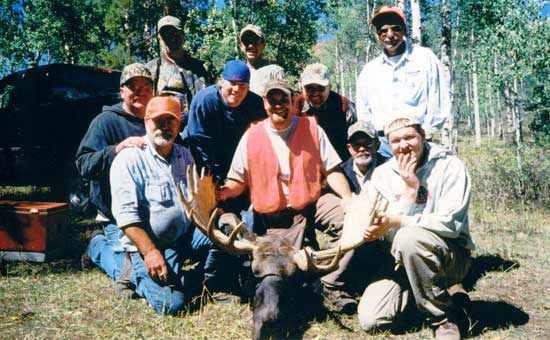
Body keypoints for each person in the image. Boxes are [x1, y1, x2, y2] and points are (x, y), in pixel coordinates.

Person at [216, 79, 355, 312]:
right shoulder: (252, 136)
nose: (278, 105)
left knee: (350, 221)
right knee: (279, 272)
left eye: (284, 100)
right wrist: (220, 193)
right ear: (264, 103)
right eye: (273, 100)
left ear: (293, 102)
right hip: (275, 218)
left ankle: (330, 284)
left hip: (312, 203)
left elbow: (331, 169)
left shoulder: (311, 129)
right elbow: (237, 181)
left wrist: (348, 199)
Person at [82, 96, 215, 315]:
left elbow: (195, 200)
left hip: (182, 239)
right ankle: (105, 253)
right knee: (171, 304)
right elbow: (126, 216)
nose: (165, 127)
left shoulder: (184, 154)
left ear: (178, 125)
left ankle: (200, 280)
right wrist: (151, 252)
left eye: (170, 121)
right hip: (146, 246)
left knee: (222, 235)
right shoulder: (129, 159)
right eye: (158, 121)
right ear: (146, 122)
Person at [357, 115, 475, 340]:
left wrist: (401, 216)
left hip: (450, 255)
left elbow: (451, 225)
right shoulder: (382, 175)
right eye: (395, 141)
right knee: (372, 320)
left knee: (409, 238)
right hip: (399, 260)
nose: (403, 146)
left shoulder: (449, 166)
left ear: (423, 136)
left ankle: (443, 318)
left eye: (410, 137)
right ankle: (443, 295)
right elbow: (378, 223)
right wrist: (374, 231)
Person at [76, 62, 153, 256]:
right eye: (133, 87)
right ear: (122, 91)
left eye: (145, 87)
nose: (140, 92)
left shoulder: (158, 120)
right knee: (129, 268)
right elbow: (84, 164)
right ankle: (97, 247)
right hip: (115, 215)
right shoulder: (105, 122)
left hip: (151, 211)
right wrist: (116, 150)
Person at [356, 5, 450, 157]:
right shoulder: (369, 71)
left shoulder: (425, 58)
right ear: (377, 33)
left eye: (395, 28)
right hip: (383, 147)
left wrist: (424, 133)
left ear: (404, 30)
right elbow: (363, 112)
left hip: (418, 141)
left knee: (419, 182)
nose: (390, 35)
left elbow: (439, 100)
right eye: (383, 30)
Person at [185, 60, 266, 212]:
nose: (237, 89)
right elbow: (198, 145)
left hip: (240, 160)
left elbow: (262, 142)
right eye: (232, 83)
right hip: (208, 158)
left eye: (242, 85)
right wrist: (210, 181)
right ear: (221, 81)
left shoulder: (255, 104)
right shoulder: (205, 100)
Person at [146, 15, 212, 129]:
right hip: (161, 130)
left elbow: (208, 103)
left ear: (183, 36)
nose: (171, 38)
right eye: (165, 35)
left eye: (175, 34)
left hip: (195, 130)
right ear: (159, 38)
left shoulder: (200, 69)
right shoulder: (149, 70)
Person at [293, 63, 357, 161]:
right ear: (302, 88)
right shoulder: (293, 107)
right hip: (304, 162)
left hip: (339, 162)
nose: (315, 93)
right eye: (309, 88)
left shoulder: (344, 106)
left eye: (320, 88)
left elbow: (355, 141)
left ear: (330, 87)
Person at [339, 120, 386, 194]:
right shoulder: (341, 173)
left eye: (367, 144)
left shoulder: (389, 167)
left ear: (377, 145)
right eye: (356, 145)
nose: (362, 149)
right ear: (349, 148)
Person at [239, 24, 284, 96]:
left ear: (263, 45)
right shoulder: (238, 72)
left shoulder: (274, 71)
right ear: (241, 47)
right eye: (247, 41)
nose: (251, 46)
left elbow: (281, 103)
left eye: (255, 41)